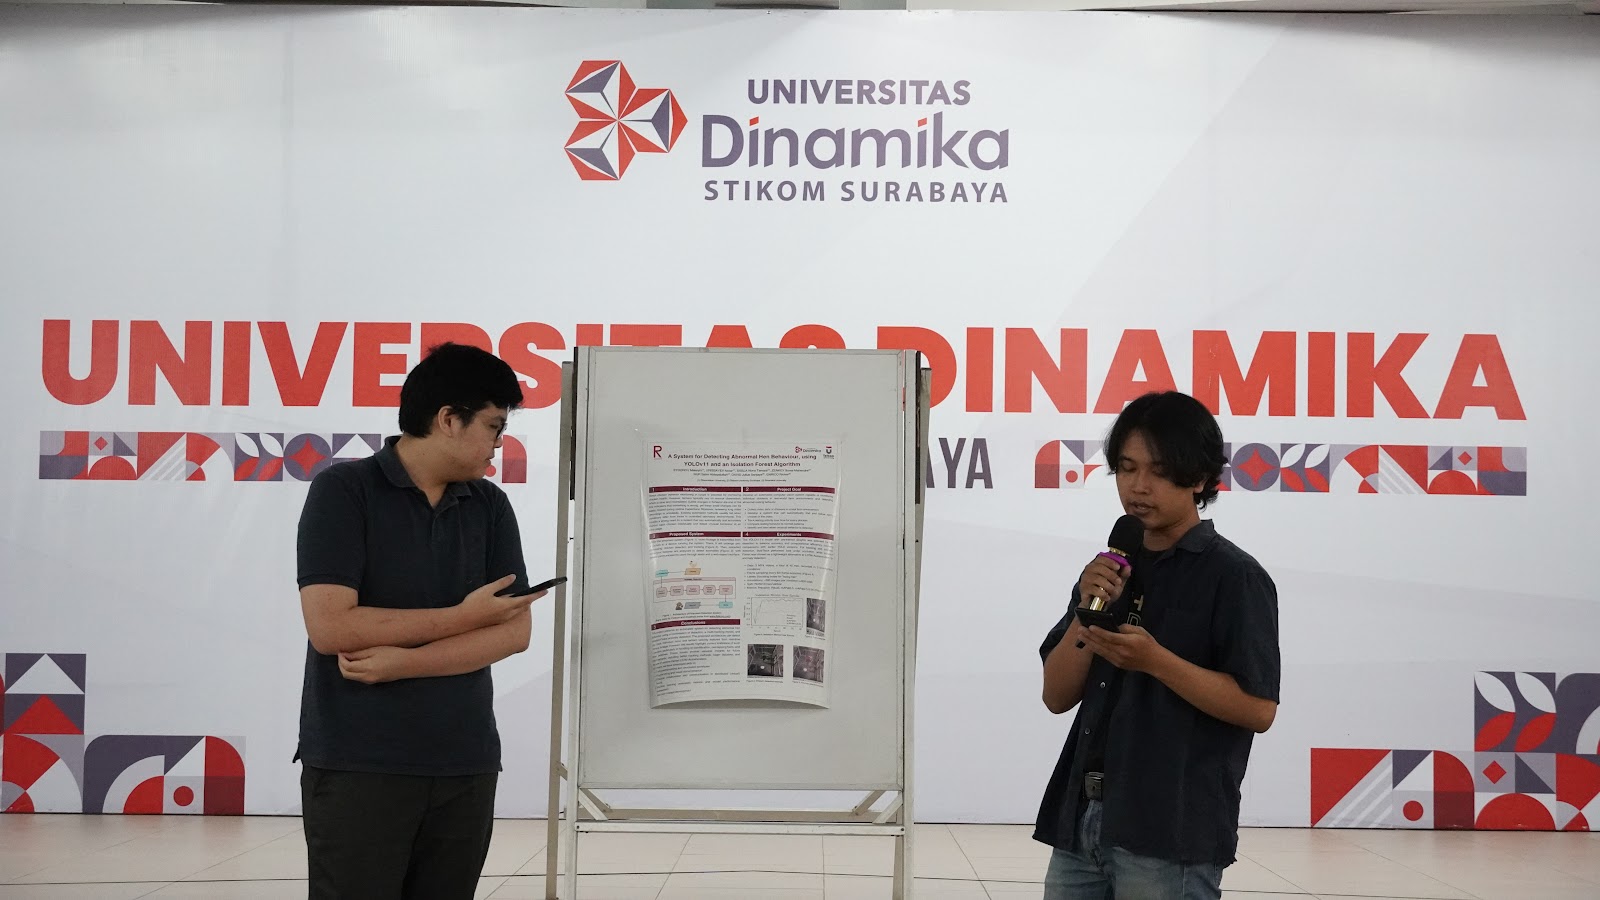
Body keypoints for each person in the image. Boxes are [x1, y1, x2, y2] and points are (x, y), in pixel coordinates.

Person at [295, 342, 547, 900]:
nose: (498, 445)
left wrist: (403, 663)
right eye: (493, 427)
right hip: (361, 761)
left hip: (464, 761)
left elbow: (513, 633)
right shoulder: (344, 490)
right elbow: (332, 627)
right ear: (448, 419)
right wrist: (462, 618)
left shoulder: (489, 506)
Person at [1035, 390, 1281, 900]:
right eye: (1126, 469)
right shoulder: (1108, 570)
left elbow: (1258, 708)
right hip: (1081, 821)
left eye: (1159, 471)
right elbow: (1056, 696)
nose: (1138, 486)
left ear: (1199, 478)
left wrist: (1156, 662)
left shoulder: (1233, 576)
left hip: (1170, 832)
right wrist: (1086, 612)